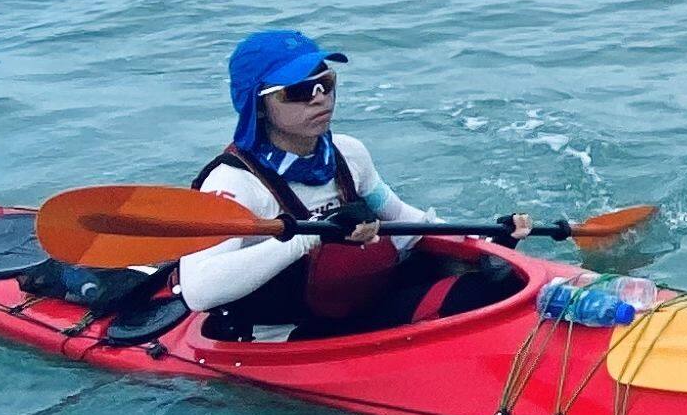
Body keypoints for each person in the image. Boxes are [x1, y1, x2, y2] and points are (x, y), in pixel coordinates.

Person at [178, 27, 500, 341]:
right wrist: (308, 236)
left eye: (325, 84)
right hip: (288, 337)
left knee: (496, 280)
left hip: (354, 304)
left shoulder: (348, 154)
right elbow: (198, 291)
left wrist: (481, 238)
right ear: (258, 107)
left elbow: (403, 220)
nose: (320, 100)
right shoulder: (233, 184)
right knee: (473, 294)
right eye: (299, 92)